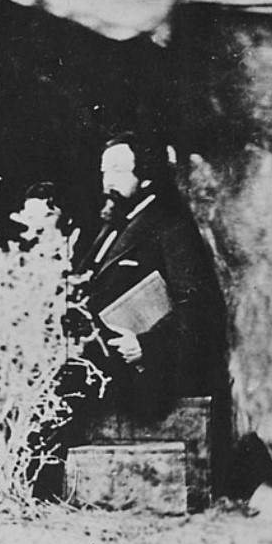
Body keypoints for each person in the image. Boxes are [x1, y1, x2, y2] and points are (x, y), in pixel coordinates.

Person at [67, 136, 232, 472]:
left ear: (146, 175)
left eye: (117, 170)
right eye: (103, 171)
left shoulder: (170, 226)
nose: (107, 180)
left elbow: (200, 307)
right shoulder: (114, 226)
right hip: (106, 361)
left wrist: (146, 345)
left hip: (152, 372)